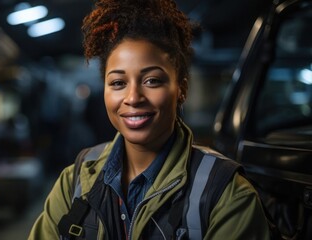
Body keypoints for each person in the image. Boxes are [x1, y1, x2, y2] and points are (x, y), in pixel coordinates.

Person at [29, 0, 271, 239]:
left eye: (152, 80)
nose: (133, 97)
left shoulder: (226, 195)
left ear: (181, 89)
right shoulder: (75, 182)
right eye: (118, 83)